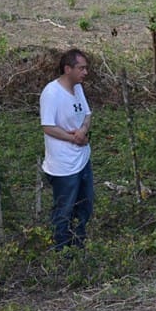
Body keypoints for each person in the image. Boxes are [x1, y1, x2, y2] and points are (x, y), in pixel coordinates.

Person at [40, 49, 95, 250]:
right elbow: (47, 126)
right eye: (81, 68)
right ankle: (61, 249)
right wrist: (73, 138)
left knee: (85, 206)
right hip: (63, 166)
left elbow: (87, 114)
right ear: (67, 69)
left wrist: (83, 130)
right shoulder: (52, 93)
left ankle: (78, 244)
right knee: (64, 210)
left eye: (86, 68)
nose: (85, 72)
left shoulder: (78, 88)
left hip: (82, 160)